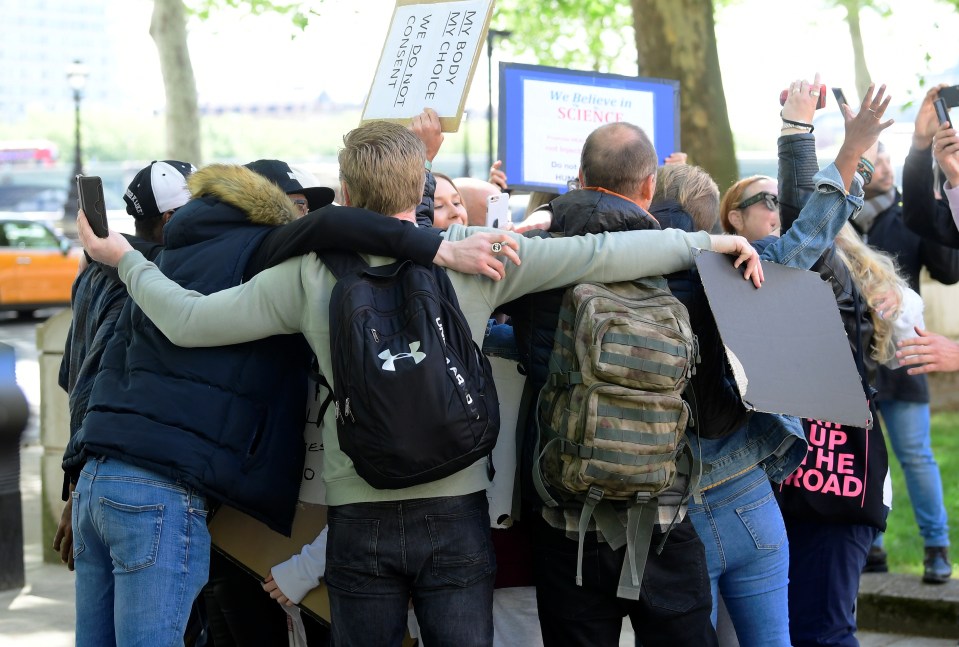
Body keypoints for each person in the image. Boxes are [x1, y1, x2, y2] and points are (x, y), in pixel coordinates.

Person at [77, 118, 763, 647]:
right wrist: (705, 244)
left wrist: (125, 262)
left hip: (358, 520)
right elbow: (601, 252)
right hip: (456, 514)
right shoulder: (474, 261)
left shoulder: (306, 277)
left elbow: (189, 320)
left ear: (345, 194)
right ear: (419, 188)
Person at [62, 150, 511, 646]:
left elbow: (86, 370)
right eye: (298, 207)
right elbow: (340, 226)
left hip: (99, 479)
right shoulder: (260, 248)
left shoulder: (146, 264)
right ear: (269, 210)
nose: (308, 218)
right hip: (165, 490)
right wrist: (439, 249)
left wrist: (75, 475)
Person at [54, 159, 194, 571]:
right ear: (171, 218)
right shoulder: (142, 279)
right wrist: (77, 487)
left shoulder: (95, 270)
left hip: (96, 481)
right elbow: (91, 387)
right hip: (128, 482)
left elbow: (73, 375)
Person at [850, 94, 959, 581]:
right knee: (866, 457)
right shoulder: (841, 221)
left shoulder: (910, 216)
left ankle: (937, 548)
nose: (887, 168)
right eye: (879, 161)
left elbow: (950, 268)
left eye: (893, 160)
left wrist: (945, 186)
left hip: (908, 354)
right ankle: (872, 545)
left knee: (916, 455)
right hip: (856, 364)